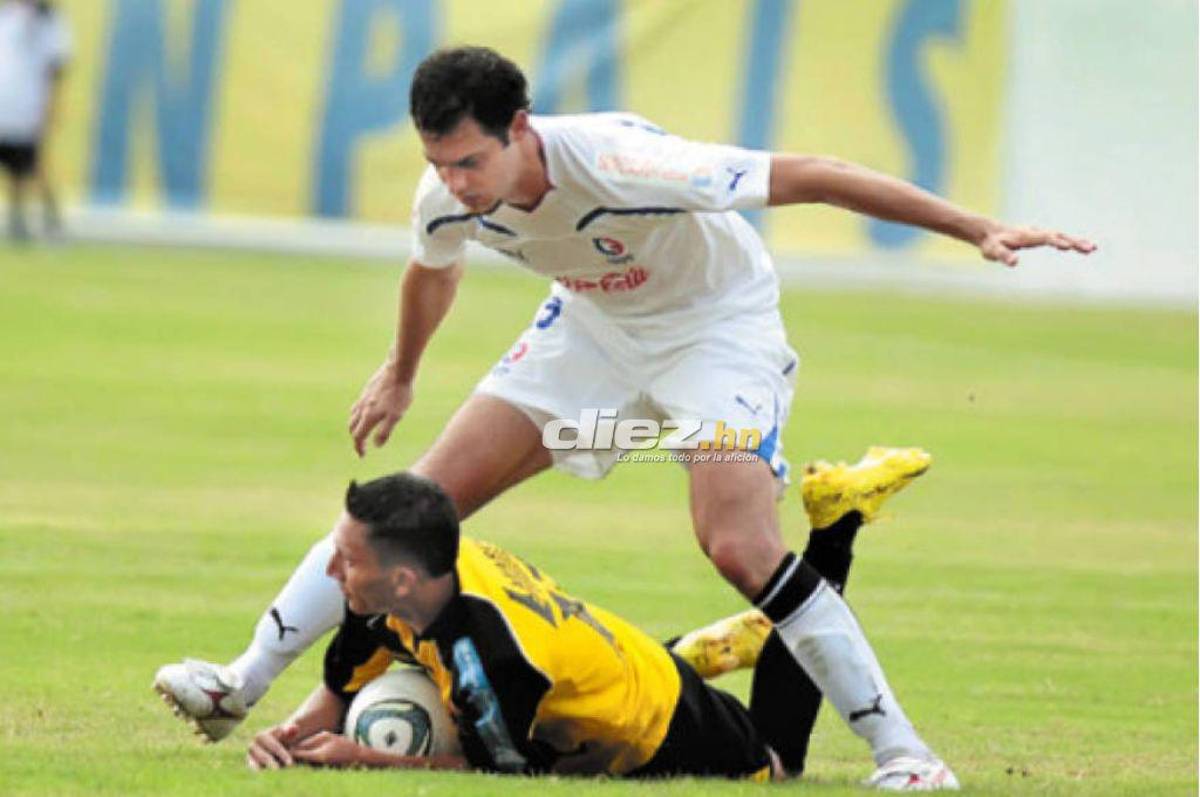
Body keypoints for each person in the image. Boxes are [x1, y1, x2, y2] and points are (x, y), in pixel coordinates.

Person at [156, 45, 1094, 785]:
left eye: (472, 160)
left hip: (714, 331)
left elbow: (816, 170)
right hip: (592, 329)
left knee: (734, 541)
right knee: (412, 504)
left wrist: (977, 227)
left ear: (522, 129)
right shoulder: (444, 194)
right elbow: (430, 267)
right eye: (439, 163)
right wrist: (401, 374)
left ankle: (909, 755)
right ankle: (238, 682)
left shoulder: (625, 160)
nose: (456, 182)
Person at [239, 468, 954, 789]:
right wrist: (295, 735)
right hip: (608, 651)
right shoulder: (402, 590)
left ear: (402, 577)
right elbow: (341, 683)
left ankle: (835, 526)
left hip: (661, 719)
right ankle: (704, 645)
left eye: (345, 558)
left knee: (776, 763)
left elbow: (498, 772)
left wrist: (361, 760)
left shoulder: (493, 656)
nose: (330, 572)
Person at [0, 0, 69, 242]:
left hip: (27, 105)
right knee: (12, 170)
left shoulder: (46, 18)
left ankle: (53, 220)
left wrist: (51, 105)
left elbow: (57, 63)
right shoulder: (6, 14)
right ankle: (16, 221)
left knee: (33, 166)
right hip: (4, 105)